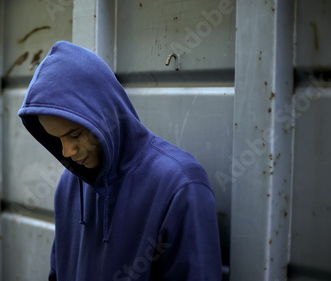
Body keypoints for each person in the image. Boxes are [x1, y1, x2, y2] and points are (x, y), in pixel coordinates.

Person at [18, 41, 222, 281]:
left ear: (105, 115)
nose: (67, 152)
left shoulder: (180, 185)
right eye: (56, 139)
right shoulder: (70, 184)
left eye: (74, 135)